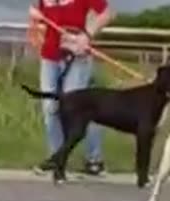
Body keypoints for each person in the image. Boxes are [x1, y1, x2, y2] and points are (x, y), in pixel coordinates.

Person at [29, 0, 113, 177]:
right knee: (49, 107)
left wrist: (87, 36)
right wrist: (36, 19)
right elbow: (40, 20)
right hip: (50, 57)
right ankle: (57, 157)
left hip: (78, 58)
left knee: (76, 109)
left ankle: (94, 160)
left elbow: (107, 13)